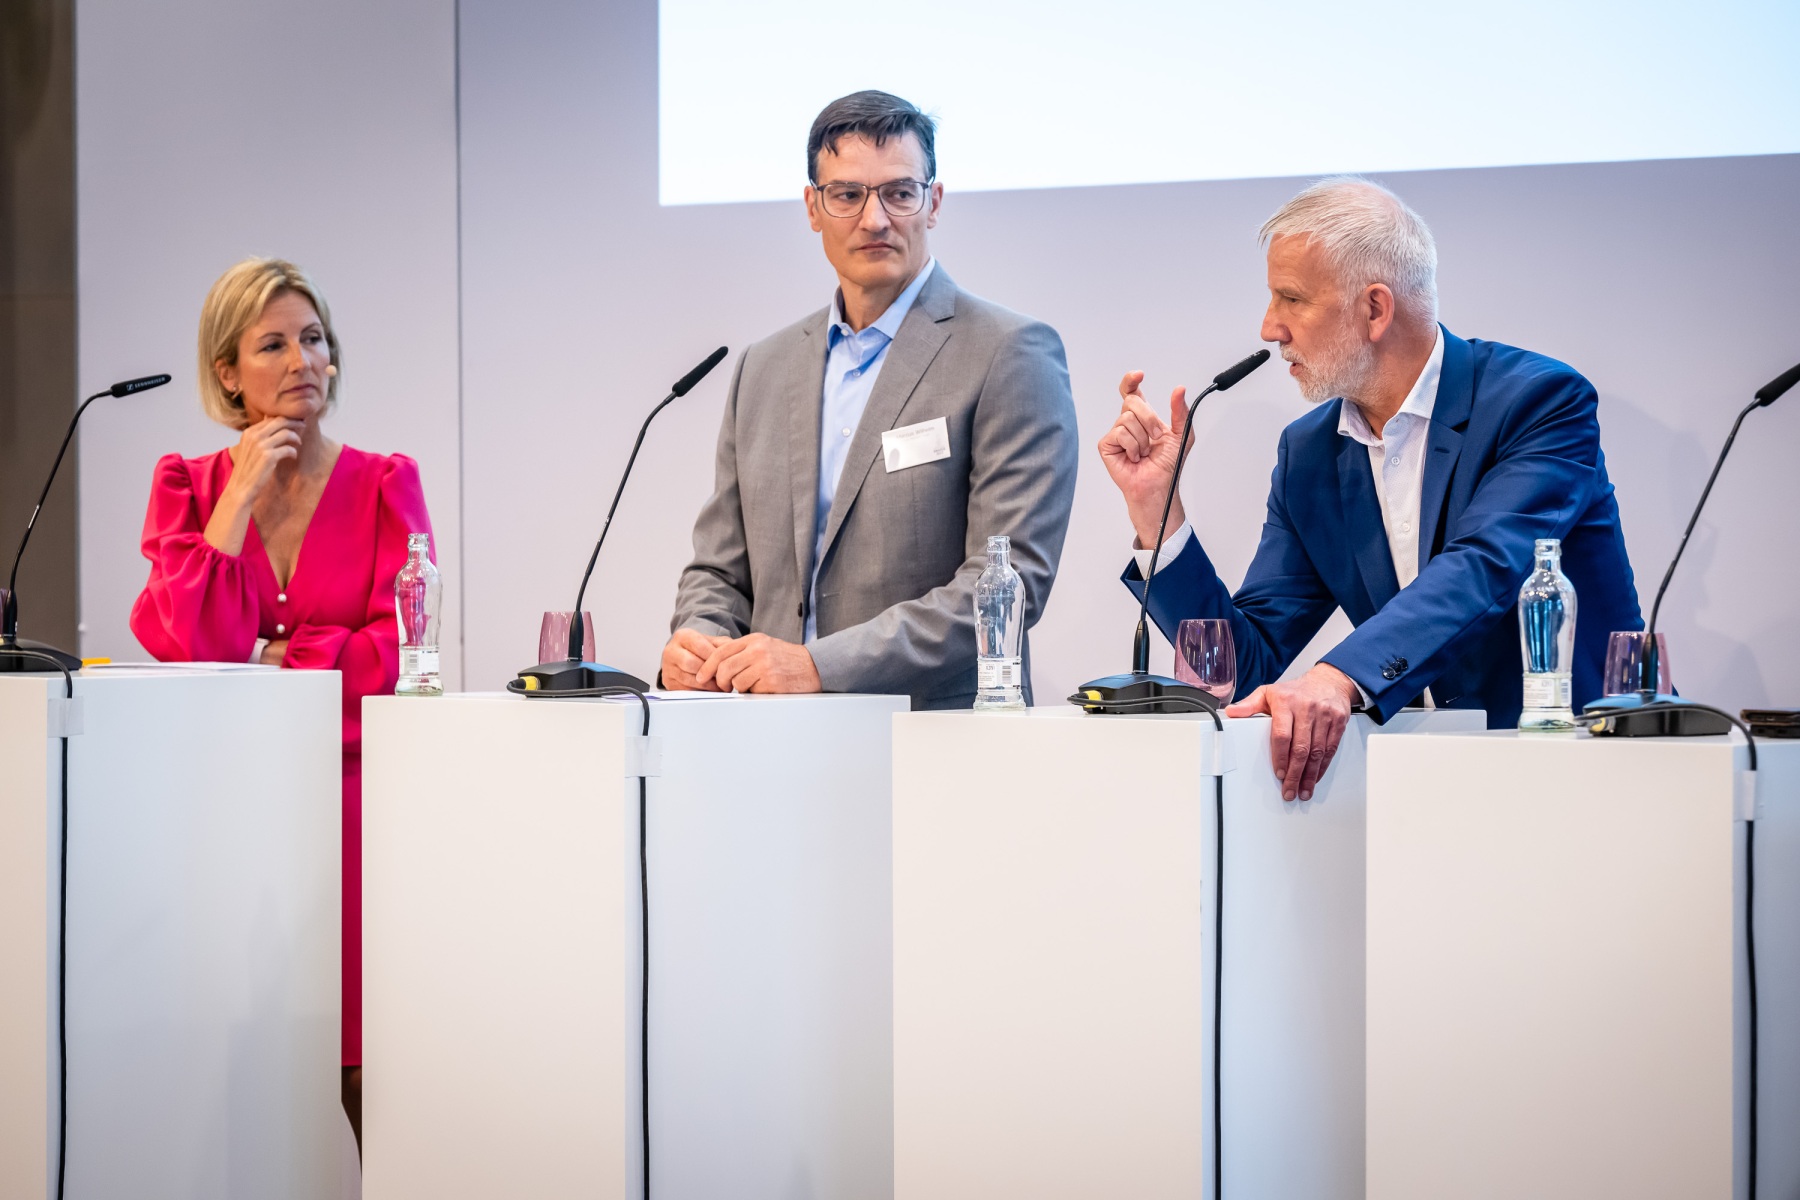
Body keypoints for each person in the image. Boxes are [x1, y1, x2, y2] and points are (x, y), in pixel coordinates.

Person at [1100, 177, 1641, 800]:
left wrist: (1338, 678)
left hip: (1591, 773)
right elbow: (1247, 666)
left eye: (1291, 299)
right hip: (1428, 790)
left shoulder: (1538, 402)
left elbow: (1485, 569)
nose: (1269, 328)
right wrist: (1157, 512)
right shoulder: (1309, 452)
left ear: (1375, 309)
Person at [130, 257, 433, 1152]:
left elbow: (399, 657)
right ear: (227, 372)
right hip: (225, 809)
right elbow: (183, 642)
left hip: (357, 809)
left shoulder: (385, 481)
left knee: (371, 1072)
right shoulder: (187, 487)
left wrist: (269, 658)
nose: (304, 360)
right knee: (236, 1078)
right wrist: (237, 502)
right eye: (273, 345)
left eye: (314, 339)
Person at [665, 90, 1079, 708]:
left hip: (932, 735)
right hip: (765, 736)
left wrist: (817, 665)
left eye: (900, 192)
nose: (875, 219)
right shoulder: (761, 368)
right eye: (847, 195)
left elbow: (1004, 588)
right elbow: (720, 570)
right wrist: (698, 637)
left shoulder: (1009, 352)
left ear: (933, 203)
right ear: (813, 207)